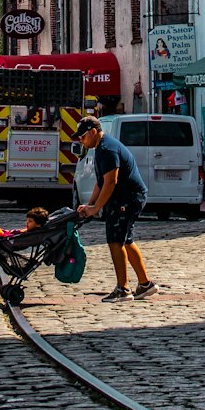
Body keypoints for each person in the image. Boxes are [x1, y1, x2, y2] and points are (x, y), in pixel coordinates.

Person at [75, 115, 156, 303]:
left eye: (82, 136)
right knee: (126, 239)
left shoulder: (107, 149)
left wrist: (95, 209)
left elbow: (111, 182)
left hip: (127, 198)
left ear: (93, 132)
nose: (81, 140)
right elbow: (101, 181)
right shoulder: (100, 148)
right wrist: (90, 203)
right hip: (126, 196)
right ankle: (145, 284)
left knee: (115, 240)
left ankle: (123, 289)